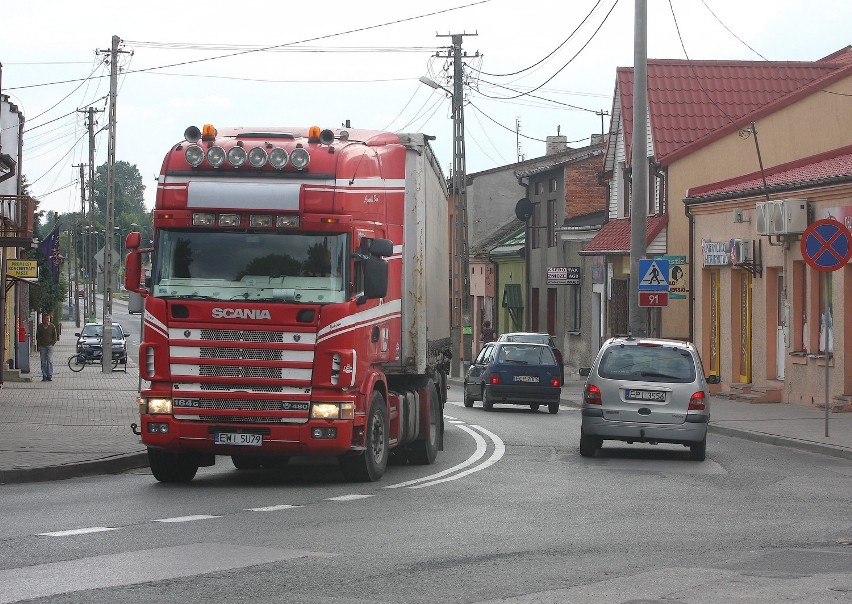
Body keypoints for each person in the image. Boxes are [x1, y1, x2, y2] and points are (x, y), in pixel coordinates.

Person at [35, 313, 58, 381]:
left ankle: (49, 375)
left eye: (48, 319)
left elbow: (55, 336)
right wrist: (40, 343)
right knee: (43, 361)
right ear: (43, 319)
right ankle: (44, 375)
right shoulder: (40, 326)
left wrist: (52, 343)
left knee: (49, 359)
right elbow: (37, 336)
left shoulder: (52, 326)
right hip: (43, 346)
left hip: (50, 345)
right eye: (45, 319)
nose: (47, 320)